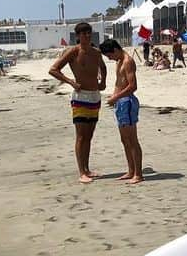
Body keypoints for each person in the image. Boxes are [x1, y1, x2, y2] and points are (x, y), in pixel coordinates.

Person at [49, 22, 107, 184]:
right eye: (83, 34)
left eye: (89, 33)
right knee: (81, 136)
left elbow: (103, 67)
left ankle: (87, 169)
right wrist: (70, 82)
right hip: (80, 98)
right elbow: (53, 69)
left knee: (89, 135)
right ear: (78, 36)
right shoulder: (73, 52)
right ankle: (81, 171)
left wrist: (103, 81)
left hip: (95, 96)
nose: (87, 36)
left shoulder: (96, 52)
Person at [99, 39, 143, 184]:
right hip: (120, 102)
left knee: (132, 140)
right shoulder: (119, 61)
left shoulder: (127, 61)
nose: (109, 58)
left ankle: (138, 173)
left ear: (115, 50)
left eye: (109, 55)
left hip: (127, 102)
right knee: (124, 140)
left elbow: (132, 86)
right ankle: (131, 170)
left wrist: (116, 97)